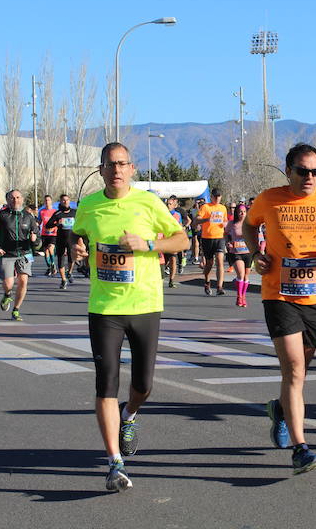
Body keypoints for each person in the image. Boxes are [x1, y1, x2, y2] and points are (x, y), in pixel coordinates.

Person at [71, 143, 188, 491]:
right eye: (110, 164)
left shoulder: (148, 202)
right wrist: (77, 249)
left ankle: (129, 415)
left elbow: (181, 239)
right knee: (105, 382)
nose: (117, 170)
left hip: (145, 304)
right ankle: (114, 462)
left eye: (122, 164)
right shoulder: (89, 206)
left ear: (132, 168)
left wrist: (149, 245)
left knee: (144, 385)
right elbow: (79, 236)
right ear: (101, 169)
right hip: (105, 307)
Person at [243, 143, 316, 474]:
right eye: (303, 171)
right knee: (293, 368)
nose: (310, 177)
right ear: (288, 171)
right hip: (278, 294)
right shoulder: (269, 198)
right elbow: (250, 226)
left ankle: (279, 409)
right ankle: (301, 448)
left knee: (299, 372)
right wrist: (254, 254)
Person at [0, 190, 39, 322]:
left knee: (23, 281)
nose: (15, 200)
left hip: (25, 253)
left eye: (18, 197)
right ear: (8, 200)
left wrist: (35, 240)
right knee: (9, 283)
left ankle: (16, 310)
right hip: (7, 253)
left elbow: (38, 238)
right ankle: (7, 294)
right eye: (12, 198)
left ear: (22, 199)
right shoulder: (2, 216)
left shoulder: (28, 216)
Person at [194, 189, 228, 296]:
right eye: (215, 196)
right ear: (211, 197)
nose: (217, 198)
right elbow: (197, 220)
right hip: (207, 238)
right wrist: (207, 219)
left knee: (219, 261)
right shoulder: (206, 207)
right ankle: (207, 281)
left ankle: (219, 287)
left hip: (220, 237)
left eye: (219, 196)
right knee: (209, 263)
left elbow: (225, 221)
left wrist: (226, 225)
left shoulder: (223, 208)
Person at [46, 194, 77, 290]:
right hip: (60, 239)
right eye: (63, 200)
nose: (65, 202)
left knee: (72, 259)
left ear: (69, 201)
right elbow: (48, 225)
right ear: (60, 202)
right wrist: (56, 223)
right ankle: (63, 280)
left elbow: (81, 222)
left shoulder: (74, 212)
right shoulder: (58, 213)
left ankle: (70, 272)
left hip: (72, 239)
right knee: (60, 259)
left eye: (67, 200)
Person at [225, 203, 253, 306]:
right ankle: (239, 296)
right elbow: (226, 234)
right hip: (236, 252)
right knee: (240, 274)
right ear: (237, 213)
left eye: (244, 212)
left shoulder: (250, 223)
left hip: (248, 252)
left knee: (246, 276)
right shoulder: (232, 223)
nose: (242, 214)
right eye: (240, 212)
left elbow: (256, 236)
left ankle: (243, 296)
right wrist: (228, 242)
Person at [164, 196, 187, 288]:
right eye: (167, 204)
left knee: (173, 259)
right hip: (163, 241)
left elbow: (180, 226)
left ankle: (171, 280)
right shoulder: (162, 213)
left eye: (169, 204)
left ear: (174, 205)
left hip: (173, 241)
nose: (168, 206)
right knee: (164, 262)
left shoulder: (177, 215)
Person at [38, 195, 59, 277]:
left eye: (48, 200)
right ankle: (49, 267)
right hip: (44, 234)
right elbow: (39, 222)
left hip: (53, 233)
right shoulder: (42, 212)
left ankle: (53, 264)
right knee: (46, 252)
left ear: (51, 201)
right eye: (45, 200)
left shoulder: (55, 211)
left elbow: (58, 222)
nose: (47, 202)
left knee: (51, 248)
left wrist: (53, 228)